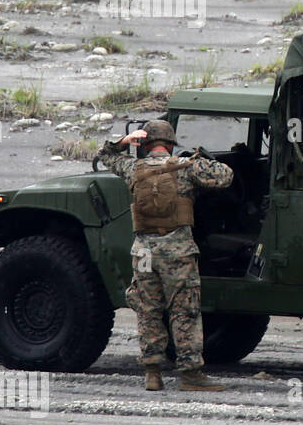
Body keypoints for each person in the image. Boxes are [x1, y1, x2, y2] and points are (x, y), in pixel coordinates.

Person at [96, 120, 234, 392]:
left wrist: (123, 143)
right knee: (184, 311)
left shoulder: (133, 168)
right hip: (178, 253)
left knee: (148, 310)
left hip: (144, 254)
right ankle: (191, 374)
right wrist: (199, 158)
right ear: (170, 143)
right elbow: (225, 176)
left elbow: (105, 156)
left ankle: (152, 373)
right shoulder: (186, 168)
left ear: (145, 145)